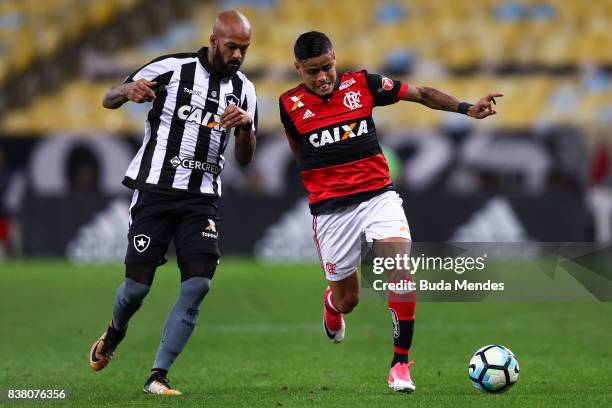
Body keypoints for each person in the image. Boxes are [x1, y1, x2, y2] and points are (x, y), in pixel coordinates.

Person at [279, 31, 502, 393]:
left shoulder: (362, 84)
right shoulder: (288, 104)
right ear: (297, 69)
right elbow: (297, 146)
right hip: (331, 210)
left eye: (327, 68)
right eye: (312, 72)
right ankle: (332, 304)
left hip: (378, 196)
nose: (322, 78)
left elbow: (420, 94)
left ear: (335, 58)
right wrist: (318, 181)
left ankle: (400, 363)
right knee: (348, 300)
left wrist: (465, 108)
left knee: (399, 268)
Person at [89, 10, 257, 395]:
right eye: (232, 46)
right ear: (213, 41)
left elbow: (246, 158)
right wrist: (126, 91)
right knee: (136, 290)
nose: (238, 55)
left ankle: (158, 376)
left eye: (244, 49)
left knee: (197, 284)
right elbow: (108, 97)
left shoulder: (245, 89)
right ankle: (114, 334)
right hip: (155, 192)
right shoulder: (171, 67)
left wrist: (245, 126)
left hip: (202, 201)